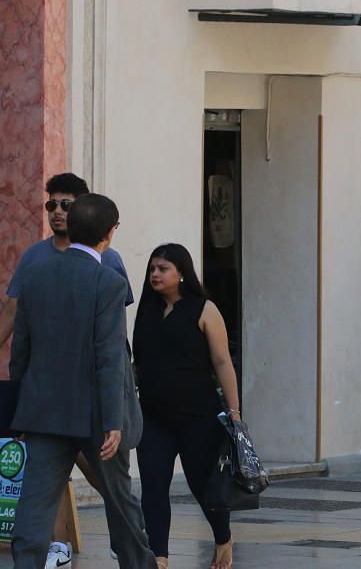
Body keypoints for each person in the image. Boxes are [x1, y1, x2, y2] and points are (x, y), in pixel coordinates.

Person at [9, 194, 157, 569]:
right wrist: (113, 421)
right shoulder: (107, 281)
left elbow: (20, 351)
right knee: (121, 503)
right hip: (96, 416)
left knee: (34, 506)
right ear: (110, 234)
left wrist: (20, 409)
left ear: (68, 227)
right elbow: (109, 356)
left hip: (42, 412)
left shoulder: (34, 275)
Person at [132, 244, 240, 569]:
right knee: (152, 487)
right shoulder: (147, 309)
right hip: (152, 417)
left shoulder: (203, 308)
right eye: (152, 268)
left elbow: (222, 361)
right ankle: (160, 557)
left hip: (198, 417)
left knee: (203, 486)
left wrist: (234, 413)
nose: (155, 274)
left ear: (181, 273)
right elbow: (139, 362)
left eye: (163, 268)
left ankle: (223, 537)